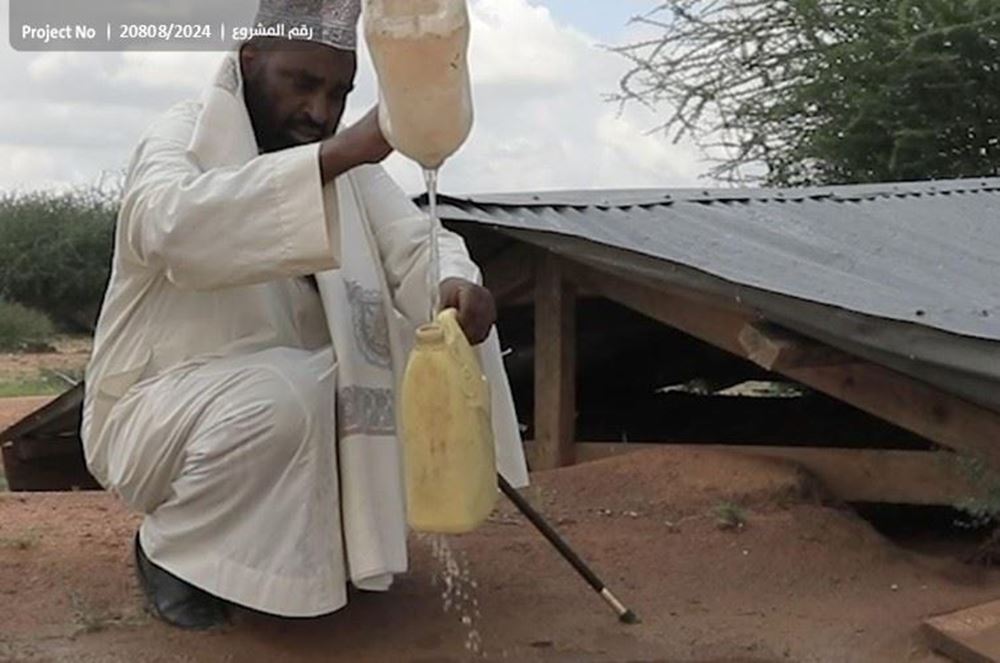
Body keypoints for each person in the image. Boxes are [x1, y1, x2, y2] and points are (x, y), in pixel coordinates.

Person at [81, 0, 527, 630]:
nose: (321, 111)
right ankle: (175, 553)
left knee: (429, 338)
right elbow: (169, 227)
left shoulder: (342, 166)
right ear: (251, 60)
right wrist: (338, 154)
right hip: (161, 416)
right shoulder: (184, 136)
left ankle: (334, 549)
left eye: (340, 93)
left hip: (287, 402)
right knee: (294, 391)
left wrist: (453, 282)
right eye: (304, 84)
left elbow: (413, 240)